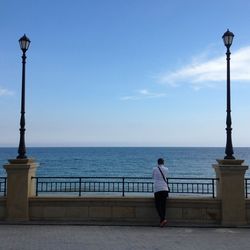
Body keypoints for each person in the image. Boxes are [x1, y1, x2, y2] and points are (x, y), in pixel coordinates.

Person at [152, 158, 169, 227]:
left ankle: (163, 219)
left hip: (157, 189)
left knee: (157, 205)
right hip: (165, 188)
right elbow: (166, 176)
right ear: (163, 163)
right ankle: (162, 221)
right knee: (163, 205)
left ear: (157, 163)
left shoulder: (154, 169)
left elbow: (152, 177)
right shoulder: (166, 169)